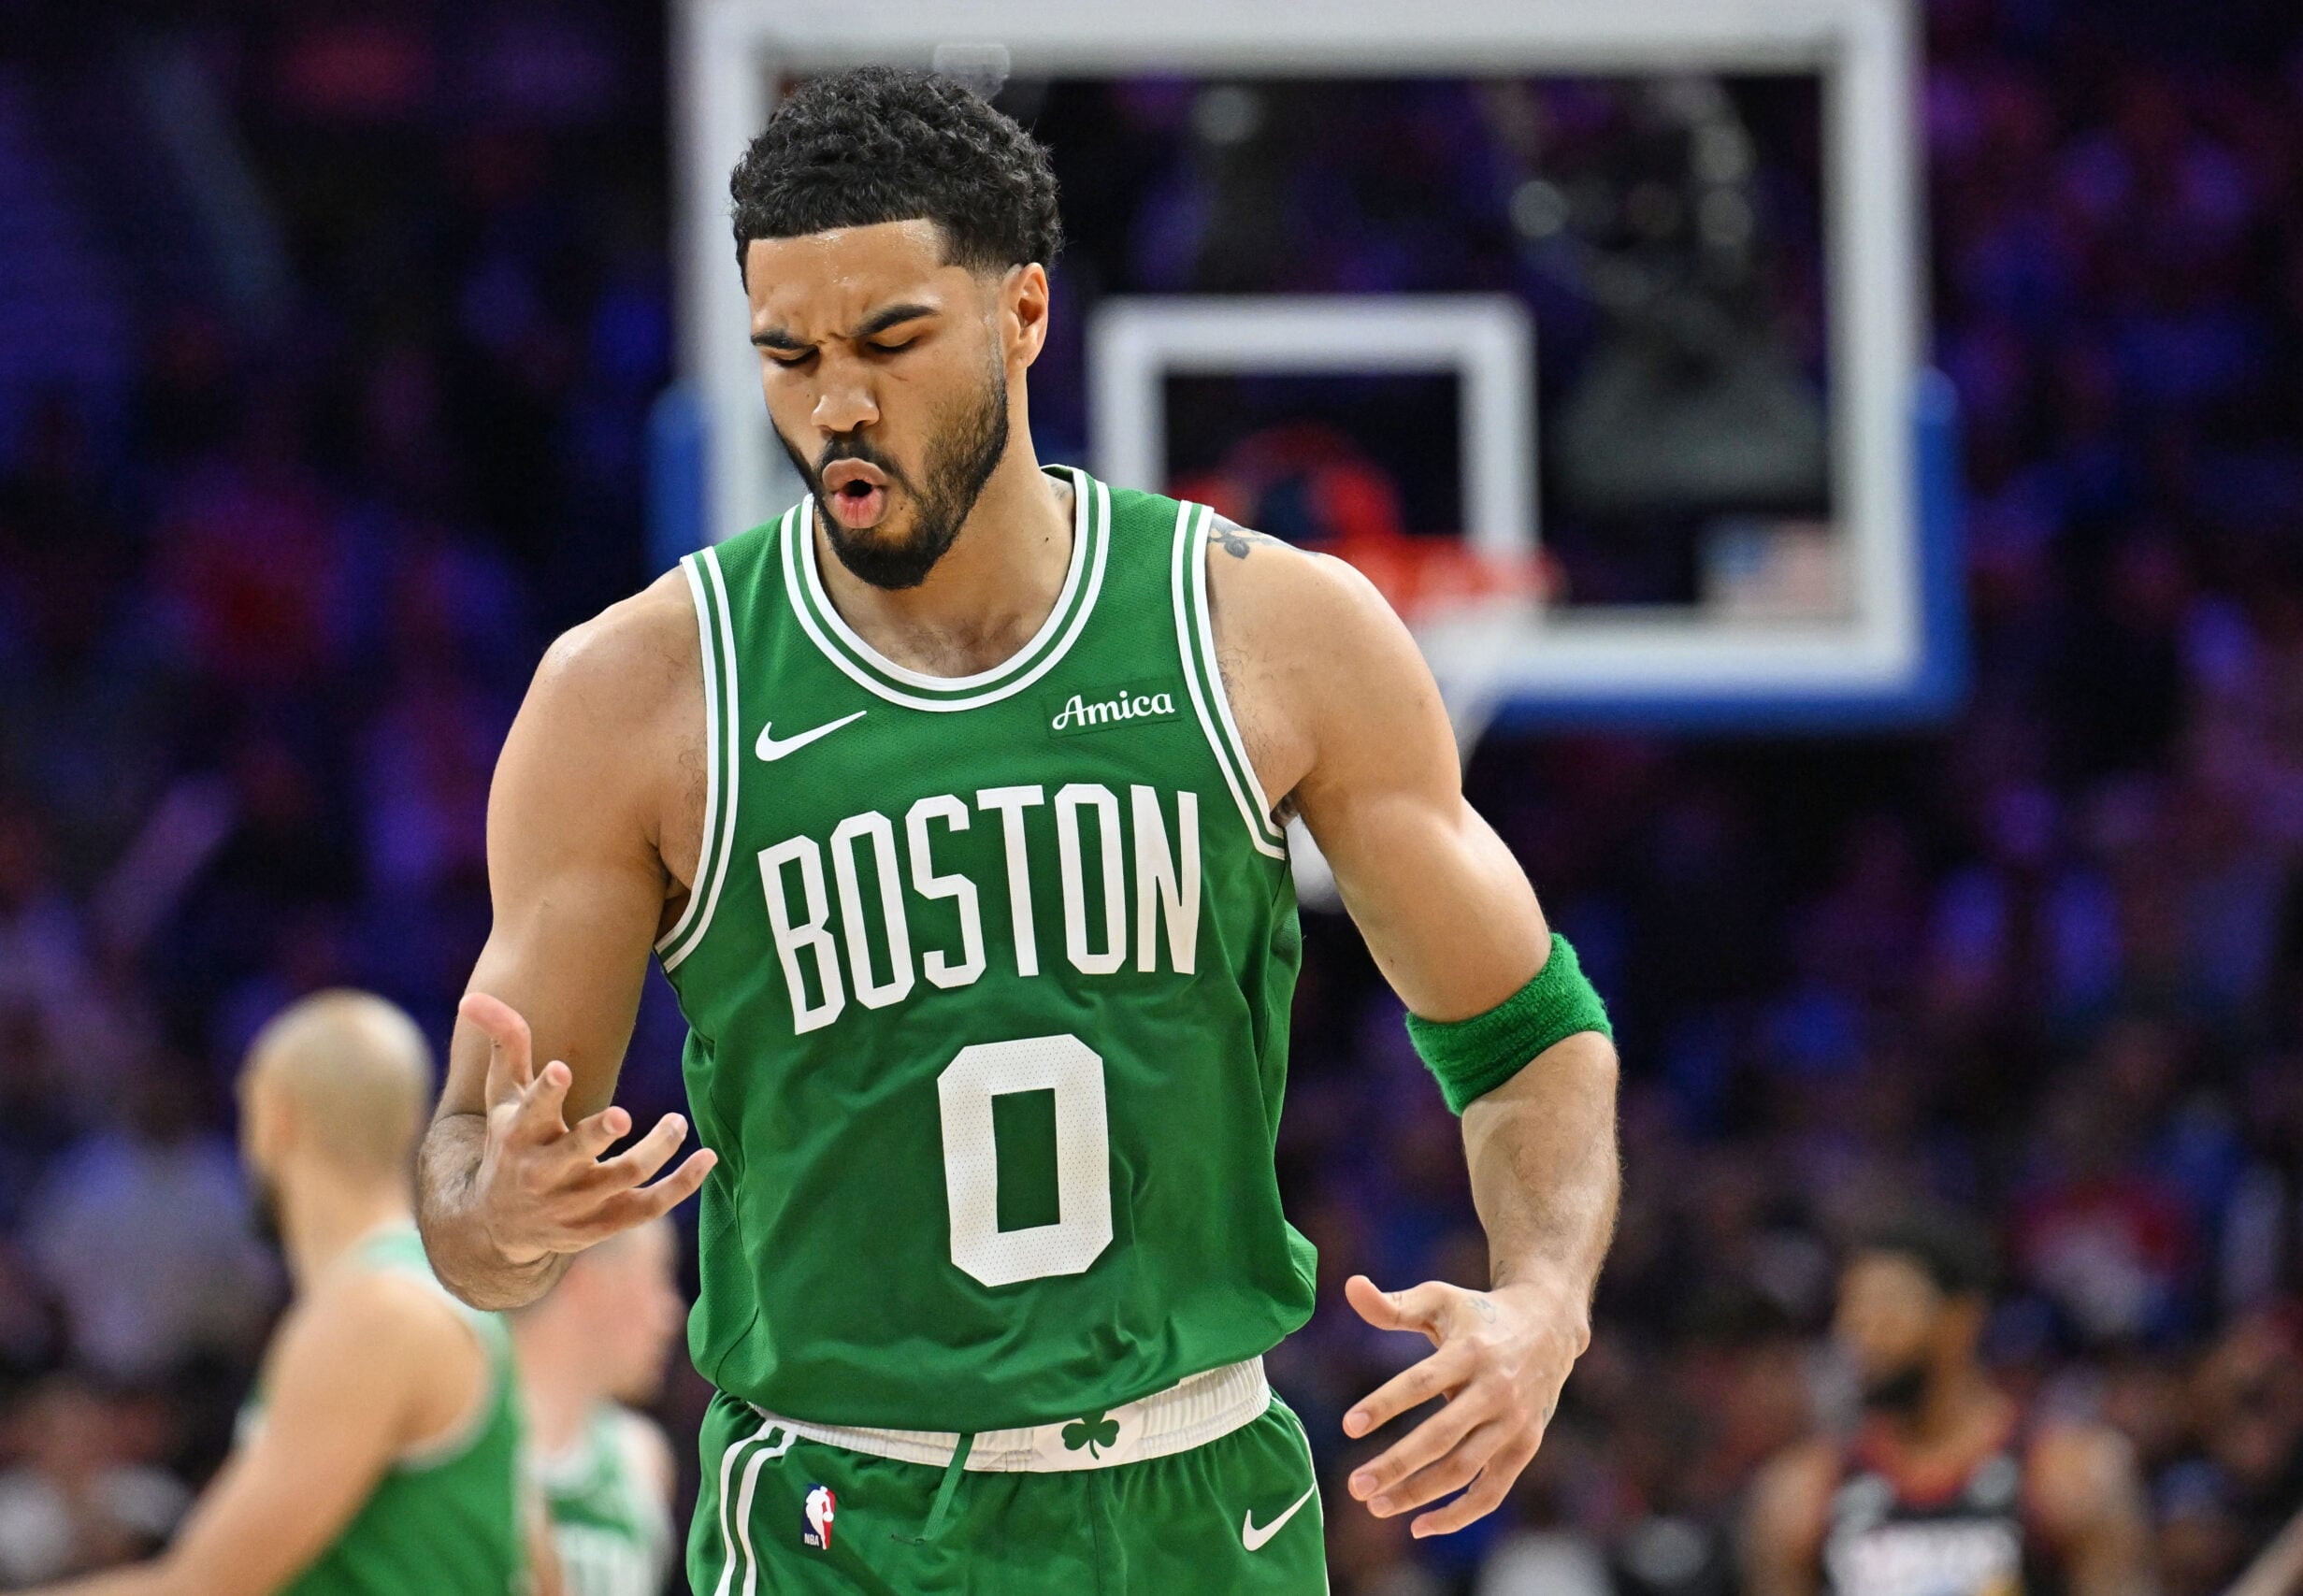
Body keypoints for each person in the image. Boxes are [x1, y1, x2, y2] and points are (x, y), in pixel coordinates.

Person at [417, 65, 1620, 1594]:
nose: (835, 400)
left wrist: (1544, 1300)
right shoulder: (638, 696)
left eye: (890, 341)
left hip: (1203, 1502)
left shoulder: (1267, 630)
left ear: (1024, 313)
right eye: (787, 355)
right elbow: (472, 1173)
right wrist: (501, 1215)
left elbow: (1525, 1032)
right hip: (840, 1519)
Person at [25, 990, 544, 1595]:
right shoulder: (439, 1293)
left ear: (276, 1118)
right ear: (409, 1122)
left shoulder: (372, 1311)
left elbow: (204, 1585)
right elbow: (540, 1563)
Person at [1744, 1212, 2153, 1596]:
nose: (1860, 1333)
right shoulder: (1805, 1488)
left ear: (1961, 1320)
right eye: (1851, 1310)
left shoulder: (2066, 1473)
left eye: (1885, 1308)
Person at [512, 1219, 682, 1596]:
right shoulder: (471, 1433)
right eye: (658, 1279)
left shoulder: (641, 1455)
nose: (672, 1315)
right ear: (586, 1282)